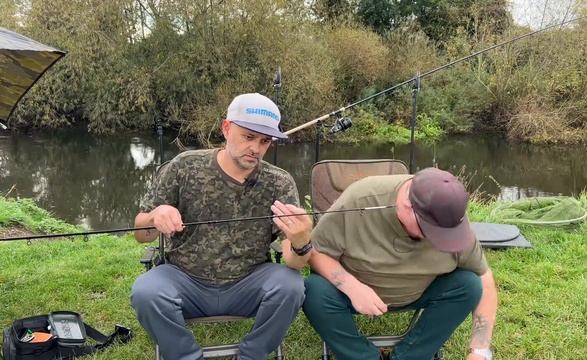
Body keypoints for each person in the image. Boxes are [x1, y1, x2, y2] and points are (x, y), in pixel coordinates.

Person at [131, 93, 313, 360]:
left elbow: (294, 263)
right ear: (226, 129)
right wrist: (155, 216)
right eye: (248, 136)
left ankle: (251, 355)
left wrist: (300, 241)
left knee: (292, 286)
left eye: (264, 141)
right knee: (146, 292)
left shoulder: (280, 182)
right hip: (185, 278)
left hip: (249, 282)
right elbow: (140, 234)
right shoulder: (184, 166)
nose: (256, 148)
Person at [303, 167, 498, 360]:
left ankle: (411, 356)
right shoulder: (359, 199)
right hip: (357, 292)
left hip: (420, 292)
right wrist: (351, 286)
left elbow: (484, 279)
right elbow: (314, 252)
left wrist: (480, 351)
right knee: (314, 290)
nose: (439, 239)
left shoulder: (449, 219)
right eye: (431, 230)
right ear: (406, 206)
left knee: (469, 285)